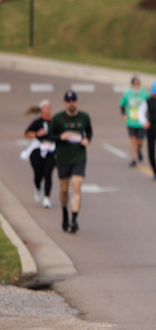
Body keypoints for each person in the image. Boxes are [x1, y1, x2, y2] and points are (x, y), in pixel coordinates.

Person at [49, 91, 93, 234]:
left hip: (79, 157)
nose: (71, 104)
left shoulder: (84, 117)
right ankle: (64, 213)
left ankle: (74, 219)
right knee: (64, 189)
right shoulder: (58, 119)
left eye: (73, 101)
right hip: (63, 157)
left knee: (76, 186)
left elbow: (89, 132)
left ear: (77, 101)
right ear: (64, 103)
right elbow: (49, 136)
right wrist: (60, 136)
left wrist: (87, 140)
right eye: (69, 101)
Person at [22, 99, 56, 209]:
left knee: (48, 173)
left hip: (51, 150)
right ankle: (38, 188)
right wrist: (37, 133)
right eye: (45, 107)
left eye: (48, 107)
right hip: (37, 149)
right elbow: (27, 133)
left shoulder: (55, 122)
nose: (47, 109)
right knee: (38, 174)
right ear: (41, 109)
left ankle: (46, 198)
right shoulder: (37, 122)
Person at [119, 76, 149, 167]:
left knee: (140, 141)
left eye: (138, 83)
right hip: (131, 121)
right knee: (132, 140)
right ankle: (134, 158)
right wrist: (124, 114)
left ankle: (139, 150)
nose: (136, 85)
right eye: (134, 84)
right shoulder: (127, 94)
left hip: (141, 121)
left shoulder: (144, 94)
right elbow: (122, 104)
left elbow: (150, 104)